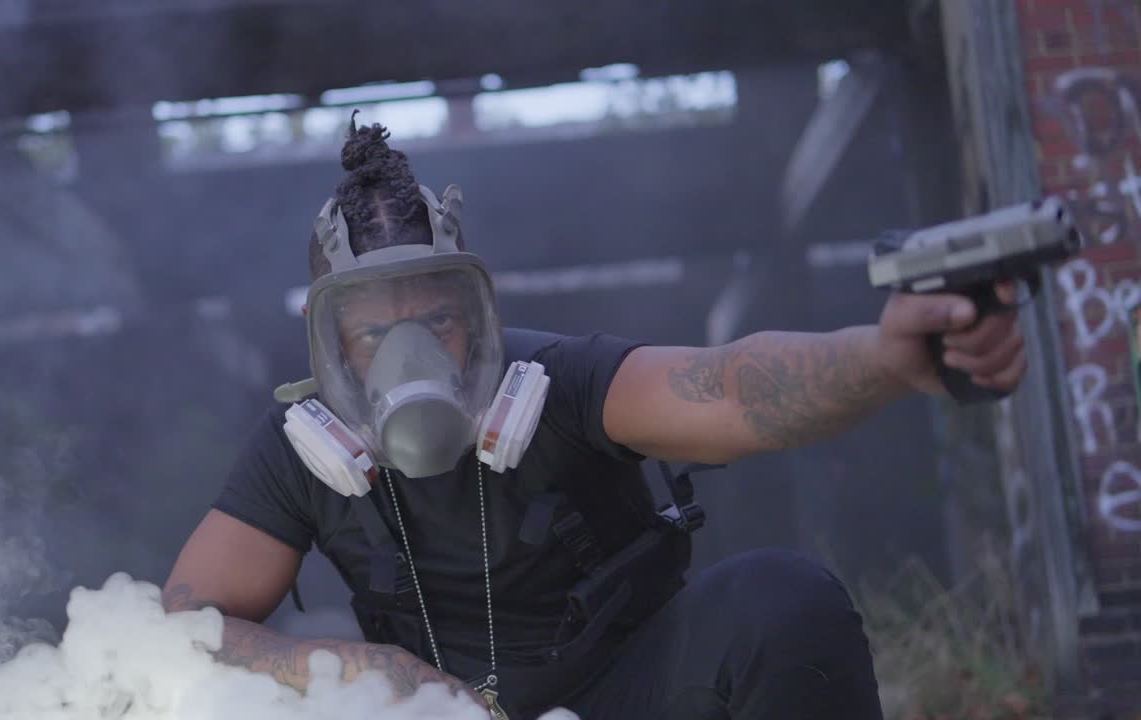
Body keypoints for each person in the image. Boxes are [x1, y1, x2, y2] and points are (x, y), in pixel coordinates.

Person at [162, 118, 1028, 720]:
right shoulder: (301, 454)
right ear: (328, 346)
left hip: (630, 697)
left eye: (435, 319)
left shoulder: (560, 385)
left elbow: (731, 388)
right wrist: (349, 668)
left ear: (478, 314)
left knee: (781, 601)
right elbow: (182, 631)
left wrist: (884, 357)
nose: (408, 358)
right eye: (372, 332)